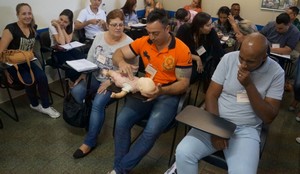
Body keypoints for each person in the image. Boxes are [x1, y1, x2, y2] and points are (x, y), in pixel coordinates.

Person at [176, 33, 285, 174]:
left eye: (250, 61)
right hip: (217, 120)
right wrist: (216, 130)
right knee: (183, 153)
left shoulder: (276, 73)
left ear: (264, 57)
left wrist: (249, 85)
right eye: (241, 58)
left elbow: (269, 117)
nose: (243, 65)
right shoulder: (229, 59)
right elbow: (211, 94)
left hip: (246, 130)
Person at [109, 9, 192, 174]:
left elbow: (183, 84)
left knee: (151, 131)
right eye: (149, 33)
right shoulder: (144, 41)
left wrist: (161, 91)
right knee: (121, 122)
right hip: (145, 89)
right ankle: (120, 169)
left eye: (155, 33)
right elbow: (118, 53)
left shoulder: (182, 50)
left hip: (168, 94)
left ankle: (119, 169)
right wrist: (121, 63)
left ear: (167, 29)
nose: (152, 37)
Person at [71, 9, 134, 159]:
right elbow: (91, 58)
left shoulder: (129, 43)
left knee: (98, 103)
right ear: (108, 24)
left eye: (121, 24)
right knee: (76, 91)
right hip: (94, 75)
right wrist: (83, 74)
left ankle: (89, 142)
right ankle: (91, 118)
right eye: (114, 25)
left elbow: (132, 72)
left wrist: (111, 81)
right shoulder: (99, 36)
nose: (118, 28)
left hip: (115, 81)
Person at [0, 3, 60, 118]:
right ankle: (34, 104)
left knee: (42, 77)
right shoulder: (10, 29)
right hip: (13, 65)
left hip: (28, 60)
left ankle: (46, 106)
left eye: (29, 13)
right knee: (29, 80)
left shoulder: (33, 28)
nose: (27, 16)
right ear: (17, 15)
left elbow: (30, 48)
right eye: (24, 14)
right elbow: (1, 52)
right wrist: (5, 71)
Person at [176, 12, 224, 88]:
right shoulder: (184, 30)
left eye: (211, 24)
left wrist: (224, 67)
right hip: (183, 58)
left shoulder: (211, 32)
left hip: (199, 62)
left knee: (191, 76)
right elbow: (177, 50)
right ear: (199, 27)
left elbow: (219, 50)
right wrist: (196, 58)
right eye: (208, 25)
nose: (211, 27)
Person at [49, 9, 85, 83]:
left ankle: (80, 81)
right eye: (61, 19)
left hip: (68, 49)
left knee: (83, 58)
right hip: (57, 51)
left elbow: (68, 41)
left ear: (69, 23)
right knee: (73, 64)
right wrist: (58, 27)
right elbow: (62, 42)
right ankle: (71, 82)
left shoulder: (71, 25)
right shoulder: (52, 25)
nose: (62, 22)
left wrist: (62, 29)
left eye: (65, 22)